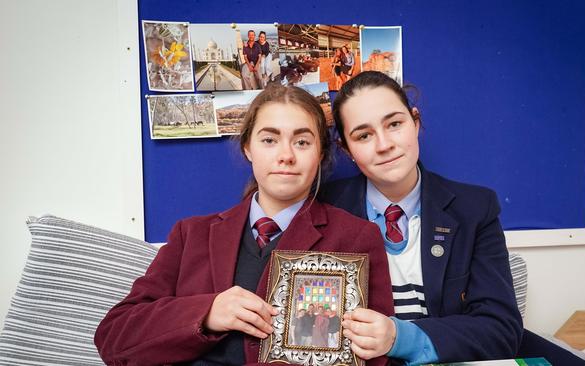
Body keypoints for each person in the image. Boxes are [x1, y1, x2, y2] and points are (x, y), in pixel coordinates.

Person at [94, 84, 394, 365]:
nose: (286, 155)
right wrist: (207, 312)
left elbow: (374, 357)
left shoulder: (357, 237)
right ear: (248, 147)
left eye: (302, 142)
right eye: (269, 140)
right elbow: (114, 337)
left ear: (320, 154)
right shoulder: (191, 234)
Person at [319, 71, 523, 364]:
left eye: (394, 124)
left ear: (415, 122)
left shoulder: (475, 209)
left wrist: (400, 337)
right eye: (363, 135)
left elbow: (501, 330)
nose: (383, 144)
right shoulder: (322, 208)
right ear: (346, 149)